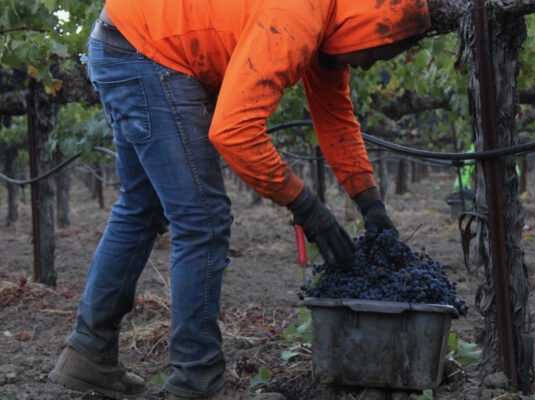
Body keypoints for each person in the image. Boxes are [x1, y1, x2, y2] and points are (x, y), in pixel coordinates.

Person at [49, 0, 431, 399]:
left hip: (124, 42)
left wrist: (370, 204)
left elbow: (335, 117)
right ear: (364, 25)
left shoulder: (329, 26)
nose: (369, 64)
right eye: (376, 51)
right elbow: (234, 133)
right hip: (147, 54)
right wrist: (308, 209)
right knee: (203, 219)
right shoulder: (299, 17)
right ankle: (195, 379)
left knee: (141, 206)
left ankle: (89, 351)